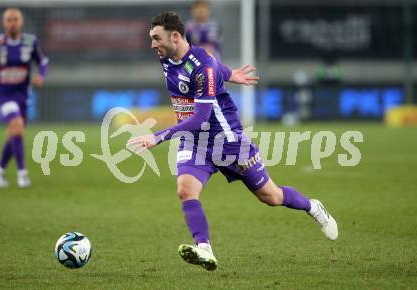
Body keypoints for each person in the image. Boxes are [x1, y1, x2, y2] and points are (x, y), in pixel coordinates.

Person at [128, 11, 338, 271]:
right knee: (185, 190)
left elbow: (201, 117)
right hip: (194, 142)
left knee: (271, 196)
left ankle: (312, 206)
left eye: (156, 38)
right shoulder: (168, 58)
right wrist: (229, 74)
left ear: (174, 36)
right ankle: (204, 248)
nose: (152, 44)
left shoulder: (201, 65)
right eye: (151, 39)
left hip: (228, 142)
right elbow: (215, 68)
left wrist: (158, 136)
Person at [0, 8, 49, 188]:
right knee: (16, 125)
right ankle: (22, 174)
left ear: (21, 22)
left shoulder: (31, 42)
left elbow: (43, 61)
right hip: (2, 93)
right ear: (4, 23)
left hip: (23, 94)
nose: (12, 23)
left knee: (15, 131)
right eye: (9, 20)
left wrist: (41, 75)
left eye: (15, 19)